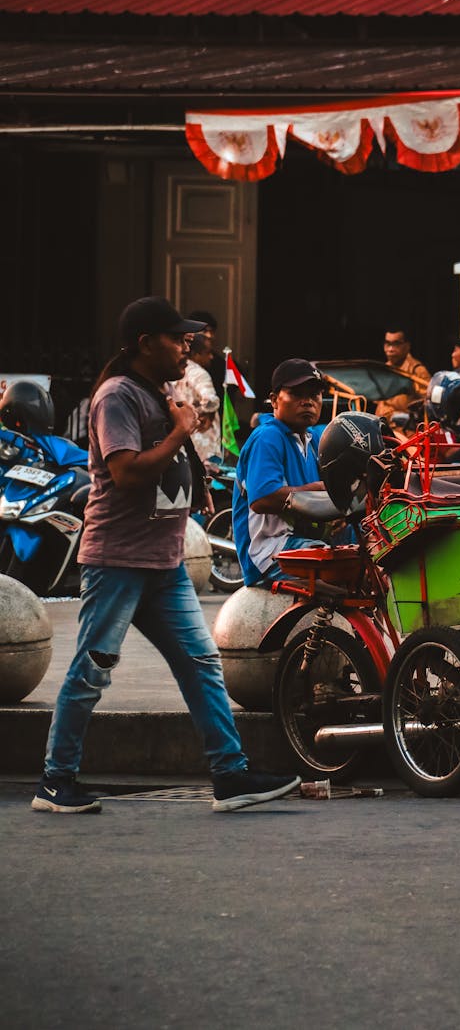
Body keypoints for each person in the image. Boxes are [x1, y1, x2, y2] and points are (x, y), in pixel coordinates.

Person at [31, 296, 299, 814]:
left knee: (201, 664)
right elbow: (127, 471)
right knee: (92, 670)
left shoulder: (162, 390)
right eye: (177, 338)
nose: (187, 345)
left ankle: (230, 774)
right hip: (118, 562)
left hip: (164, 562)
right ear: (145, 343)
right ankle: (54, 781)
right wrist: (180, 431)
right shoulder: (117, 396)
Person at [233, 358, 331, 587]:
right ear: (275, 400)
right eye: (297, 394)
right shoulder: (268, 436)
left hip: (302, 540)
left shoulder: (312, 439)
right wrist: (317, 492)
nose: (307, 402)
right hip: (269, 552)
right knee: (340, 567)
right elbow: (263, 498)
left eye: (314, 395)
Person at [170, 332, 221, 465]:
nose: (211, 357)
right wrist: (206, 411)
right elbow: (210, 400)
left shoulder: (176, 371)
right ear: (196, 354)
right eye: (208, 352)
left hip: (184, 443)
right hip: (204, 444)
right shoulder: (199, 373)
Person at [374, 324, 430, 423]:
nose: (390, 349)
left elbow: (429, 404)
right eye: (387, 344)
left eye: (396, 344)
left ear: (407, 346)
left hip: (406, 432)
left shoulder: (417, 370)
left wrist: (408, 417)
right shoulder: (383, 369)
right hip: (382, 428)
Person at [187, 309, 225, 401]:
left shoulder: (219, 363)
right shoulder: (177, 360)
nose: (209, 336)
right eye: (204, 331)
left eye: (212, 331)